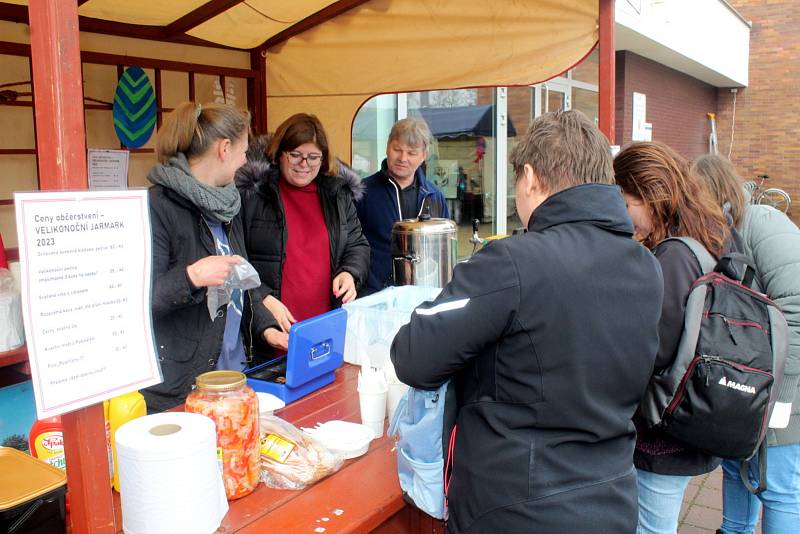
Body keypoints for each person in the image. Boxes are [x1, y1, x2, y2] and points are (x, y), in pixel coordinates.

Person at [391, 110, 664, 533]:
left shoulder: (513, 262)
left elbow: (413, 354)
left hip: (515, 505)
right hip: (610, 495)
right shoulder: (645, 265)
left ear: (531, 178)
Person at [614, 142, 733, 534]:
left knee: (651, 527)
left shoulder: (674, 255)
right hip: (698, 412)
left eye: (625, 202)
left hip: (664, 437)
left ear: (649, 195)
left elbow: (655, 349)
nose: (622, 215)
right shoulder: (710, 231)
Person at [145, 102, 277, 412]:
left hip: (232, 371)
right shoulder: (157, 205)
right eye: (245, 150)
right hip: (181, 383)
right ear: (225, 148)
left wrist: (265, 326)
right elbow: (142, 302)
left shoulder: (230, 202)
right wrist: (192, 276)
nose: (246, 160)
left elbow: (238, 277)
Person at [692, 154, 800, 534]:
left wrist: (777, 399)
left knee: (779, 486)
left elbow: (798, 308)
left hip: (783, 388)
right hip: (749, 386)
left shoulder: (763, 224)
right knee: (738, 469)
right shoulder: (719, 234)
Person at [236, 113, 369, 357]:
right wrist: (262, 297)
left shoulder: (337, 194)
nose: (304, 164)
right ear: (279, 153)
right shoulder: (253, 194)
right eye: (295, 155)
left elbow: (357, 244)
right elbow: (236, 260)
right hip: (271, 327)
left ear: (324, 158)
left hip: (325, 325)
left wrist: (350, 272)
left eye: (313, 157)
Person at [356, 117, 449, 294]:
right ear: (387, 147)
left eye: (412, 153)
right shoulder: (362, 192)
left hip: (423, 295)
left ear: (423, 156)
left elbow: (443, 251)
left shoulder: (435, 196)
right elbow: (349, 247)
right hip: (373, 297)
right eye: (397, 149)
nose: (402, 158)